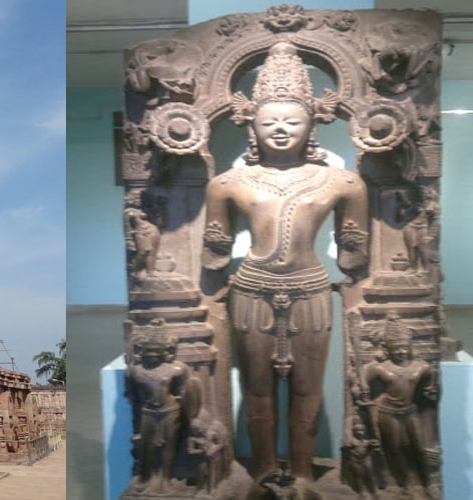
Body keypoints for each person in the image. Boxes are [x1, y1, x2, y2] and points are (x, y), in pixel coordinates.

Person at [202, 42, 369, 486]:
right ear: (251, 126)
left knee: (307, 389)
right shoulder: (227, 184)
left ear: (312, 122)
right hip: (252, 291)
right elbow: (212, 254)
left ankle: (300, 471)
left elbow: (356, 256)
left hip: (312, 290)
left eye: (292, 120)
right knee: (256, 388)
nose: (280, 129)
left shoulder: (343, 182)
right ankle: (262, 470)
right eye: (268, 121)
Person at [362, 313, 440, 498]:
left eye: (405, 348)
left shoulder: (422, 367)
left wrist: (431, 392)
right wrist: (361, 390)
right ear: (387, 348)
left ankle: (427, 483)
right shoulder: (379, 368)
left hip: (411, 411)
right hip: (387, 412)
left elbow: (430, 386)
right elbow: (361, 382)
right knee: (395, 449)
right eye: (396, 348)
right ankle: (405, 485)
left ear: (410, 347)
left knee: (419, 448)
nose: (401, 352)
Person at [125, 319, 191, 494]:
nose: (151, 355)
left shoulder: (177, 369)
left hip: (171, 411)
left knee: (169, 447)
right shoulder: (134, 371)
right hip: (148, 412)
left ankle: (165, 478)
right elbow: (133, 398)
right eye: (148, 351)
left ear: (165, 351)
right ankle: (146, 477)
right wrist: (136, 425)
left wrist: (188, 419)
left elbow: (184, 393)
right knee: (148, 447)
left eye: (155, 351)